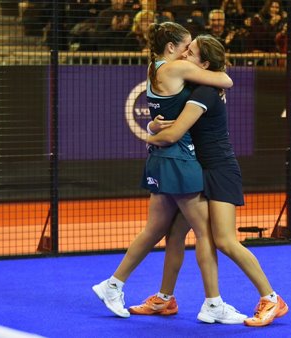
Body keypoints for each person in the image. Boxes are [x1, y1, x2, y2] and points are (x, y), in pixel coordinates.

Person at [92, 21, 247, 325]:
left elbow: (161, 116)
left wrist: (151, 128)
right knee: (205, 233)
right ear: (171, 48)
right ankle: (213, 304)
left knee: (162, 232)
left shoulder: (155, 68)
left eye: (192, 49)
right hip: (178, 160)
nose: (188, 52)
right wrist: (151, 133)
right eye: (186, 47)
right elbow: (225, 79)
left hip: (164, 160)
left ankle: (116, 286)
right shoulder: (175, 69)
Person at [136, 34, 288, 327]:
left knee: (226, 240)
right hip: (196, 170)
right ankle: (165, 299)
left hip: (219, 170)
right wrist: (154, 122)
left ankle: (271, 298)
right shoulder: (189, 86)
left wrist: (149, 136)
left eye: (190, 53)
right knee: (175, 234)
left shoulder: (204, 92)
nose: (184, 56)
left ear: (204, 64)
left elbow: (174, 133)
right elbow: (162, 117)